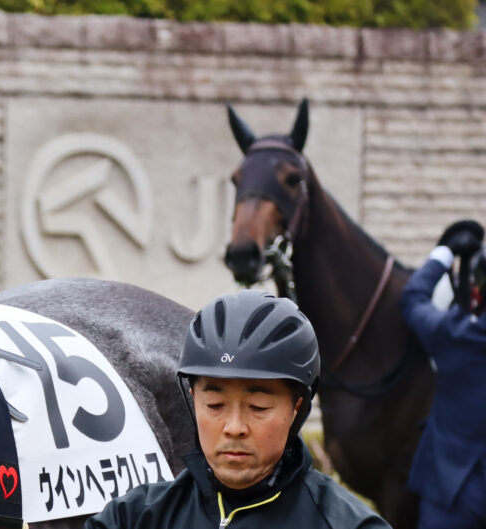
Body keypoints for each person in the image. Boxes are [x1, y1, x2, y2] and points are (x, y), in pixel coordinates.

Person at [86, 290, 388, 528]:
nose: (233, 427)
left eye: (257, 407)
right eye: (215, 405)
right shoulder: (134, 517)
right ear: (192, 398)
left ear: (297, 407)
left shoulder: (347, 523)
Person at [400, 220, 486, 529]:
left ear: (476, 293)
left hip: (452, 498)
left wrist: (445, 252)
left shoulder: (454, 335)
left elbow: (413, 298)